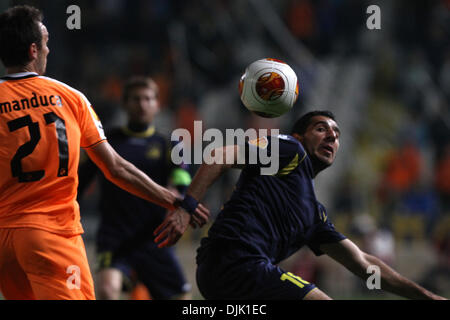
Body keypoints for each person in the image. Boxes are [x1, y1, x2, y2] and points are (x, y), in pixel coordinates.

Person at [0, 5, 209, 300]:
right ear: (34, 50)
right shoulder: (69, 98)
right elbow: (115, 168)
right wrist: (174, 199)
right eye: (46, 42)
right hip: (51, 234)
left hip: (5, 241)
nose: (50, 48)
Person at [154, 110, 446, 300]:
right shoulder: (288, 149)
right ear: (298, 136)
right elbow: (219, 155)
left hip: (226, 278)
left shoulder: (314, 215)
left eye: (336, 134)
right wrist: (185, 208)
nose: (332, 135)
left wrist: (427, 297)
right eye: (321, 129)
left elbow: (364, 264)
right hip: (237, 263)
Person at [78, 76, 192, 300]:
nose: (142, 105)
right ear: (125, 104)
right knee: (107, 291)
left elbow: (181, 182)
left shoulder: (170, 144)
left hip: (154, 237)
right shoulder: (105, 142)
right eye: (136, 99)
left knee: (183, 298)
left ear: (157, 105)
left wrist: (180, 203)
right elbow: (80, 182)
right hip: (115, 236)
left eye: (148, 99)